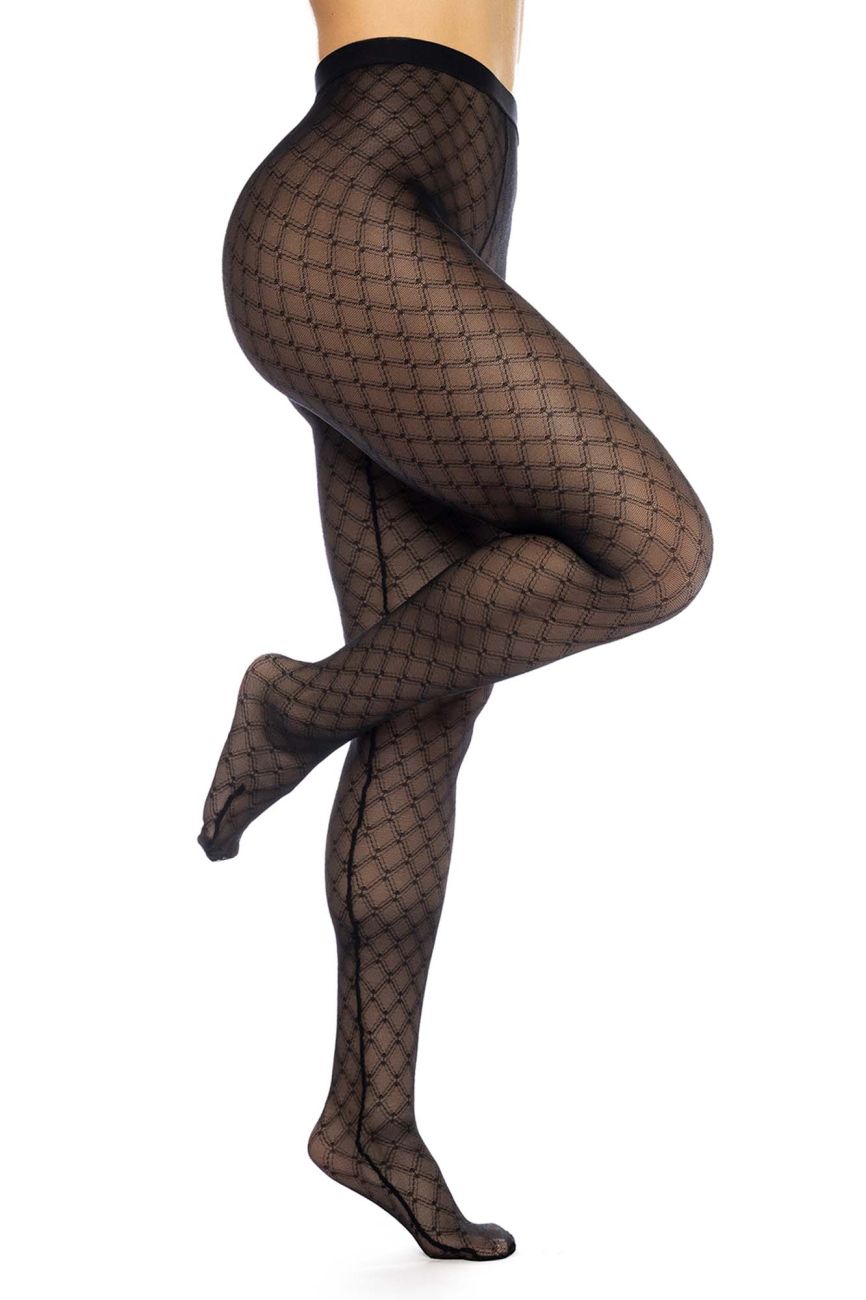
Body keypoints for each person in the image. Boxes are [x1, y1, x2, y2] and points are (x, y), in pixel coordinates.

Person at [196, 0, 713, 1262]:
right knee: (651, 548)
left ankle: (370, 1117)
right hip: (345, 218)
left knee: (426, 697)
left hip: (445, 215)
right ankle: (297, 707)